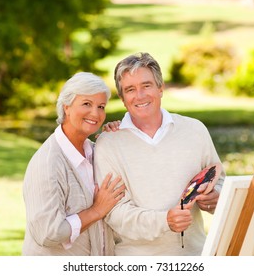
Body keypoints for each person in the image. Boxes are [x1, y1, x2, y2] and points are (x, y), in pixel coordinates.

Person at [94, 52, 226, 256]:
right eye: (130, 89)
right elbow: (115, 213)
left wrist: (215, 199)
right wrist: (165, 221)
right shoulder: (108, 144)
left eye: (146, 85)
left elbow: (219, 179)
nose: (140, 95)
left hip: (196, 255)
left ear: (161, 88)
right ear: (122, 98)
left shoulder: (195, 130)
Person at [22, 72, 125, 256]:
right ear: (66, 107)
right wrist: (96, 211)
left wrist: (115, 141)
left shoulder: (97, 152)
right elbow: (47, 233)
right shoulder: (47, 164)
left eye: (101, 106)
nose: (96, 113)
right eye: (87, 104)